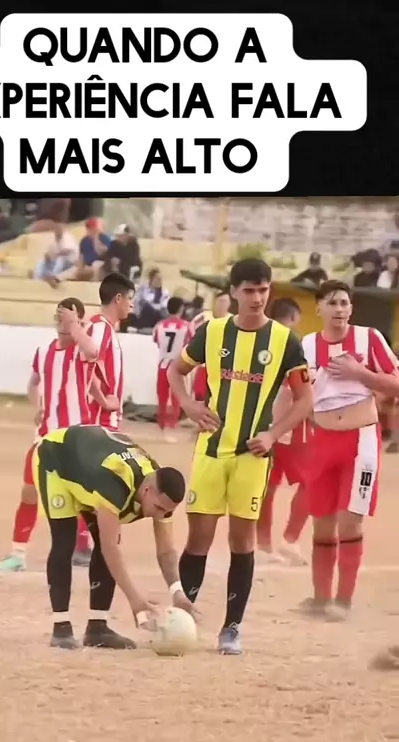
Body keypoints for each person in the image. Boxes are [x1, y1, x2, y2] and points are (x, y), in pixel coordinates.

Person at [168, 259, 313, 654]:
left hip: (252, 456)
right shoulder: (212, 332)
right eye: (249, 290)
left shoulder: (285, 341)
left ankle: (231, 628)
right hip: (211, 450)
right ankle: (180, 621)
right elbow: (175, 371)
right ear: (233, 292)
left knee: (241, 540)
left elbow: (305, 399)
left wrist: (273, 433)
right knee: (198, 538)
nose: (257, 297)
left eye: (263, 290)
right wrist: (189, 405)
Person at [32, 424, 193, 649]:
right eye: (158, 508)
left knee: (105, 539)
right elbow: (110, 548)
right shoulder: (115, 484)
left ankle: (97, 628)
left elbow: (166, 550)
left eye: (167, 512)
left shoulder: (160, 491)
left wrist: (177, 591)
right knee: (65, 540)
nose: (161, 515)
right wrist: (135, 600)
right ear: (147, 490)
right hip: (58, 459)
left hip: (90, 467)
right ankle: (61, 628)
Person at [299, 280, 399, 621]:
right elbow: (294, 391)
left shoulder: (369, 339)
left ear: (351, 308)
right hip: (321, 440)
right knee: (322, 524)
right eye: (332, 303)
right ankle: (320, 599)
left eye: (344, 303)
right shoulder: (307, 345)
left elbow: (395, 383)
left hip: (360, 441)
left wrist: (361, 373)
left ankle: (343, 601)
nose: (339, 309)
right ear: (319, 308)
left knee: (349, 522)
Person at [0, 298, 102, 574]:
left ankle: (91, 548)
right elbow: (33, 382)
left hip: (76, 436)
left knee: (82, 496)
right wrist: (37, 404)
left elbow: (93, 350)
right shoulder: (43, 352)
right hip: (45, 435)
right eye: (60, 317)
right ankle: (17, 554)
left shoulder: (81, 351)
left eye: (68, 318)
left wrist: (76, 326)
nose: (62, 323)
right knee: (29, 492)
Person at [72, 272, 135, 567]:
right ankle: (86, 544)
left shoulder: (106, 329)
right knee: (100, 482)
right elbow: (87, 364)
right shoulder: (100, 328)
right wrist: (102, 399)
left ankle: (90, 543)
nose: (132, 305)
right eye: (130, 299)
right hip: (99, 418)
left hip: (106, 417)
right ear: (118, 298)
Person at [256, 298, 311, 565]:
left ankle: (263, 544)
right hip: (287, 425)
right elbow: (295, 390)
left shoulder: (258, 340)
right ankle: (289, 539)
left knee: (267, 485)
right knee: (311, 482)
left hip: (262, 424)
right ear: (294, 317)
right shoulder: (293, 344)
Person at [152, 297, 191, 442]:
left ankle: (162, 428)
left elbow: (157, 341)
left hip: (163, 365)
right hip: (177, 366)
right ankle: (172, 427)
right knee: (177, 398)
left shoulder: (159, 325)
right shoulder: (186, 326)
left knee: (162, 398)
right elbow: (190, 343)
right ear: (181, 309)